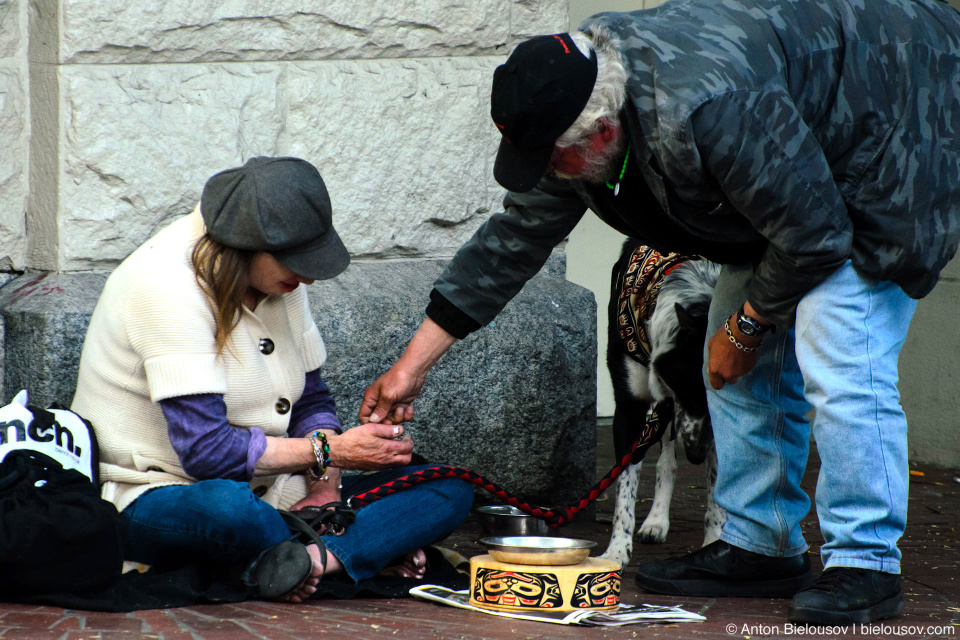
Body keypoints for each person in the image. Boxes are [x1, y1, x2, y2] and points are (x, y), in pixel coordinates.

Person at [358, 0, 960, 626]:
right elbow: (512, 242)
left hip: (898, 124)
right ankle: (762, 545)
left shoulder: (708, 108)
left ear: (603, 132)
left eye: (553, 160)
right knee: (727, 361)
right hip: (795, 169)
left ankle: (865, 562)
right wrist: (412, 366)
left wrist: (748, 326)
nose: (548, 175)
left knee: (840, 357)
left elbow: (815, 236)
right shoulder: (575, 106)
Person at [71, 156, 473, 603]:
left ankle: (310, 562)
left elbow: (310, 401)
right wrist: (331, 450)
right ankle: (353, 550)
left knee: (447, 485)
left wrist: (325, 485)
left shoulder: (280, 284)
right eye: (296, 262)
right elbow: (207, 454)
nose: (309, 277)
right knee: (231, 512)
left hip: (280, 488)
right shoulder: (164, 287)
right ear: (243, 245)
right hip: (161, 492)